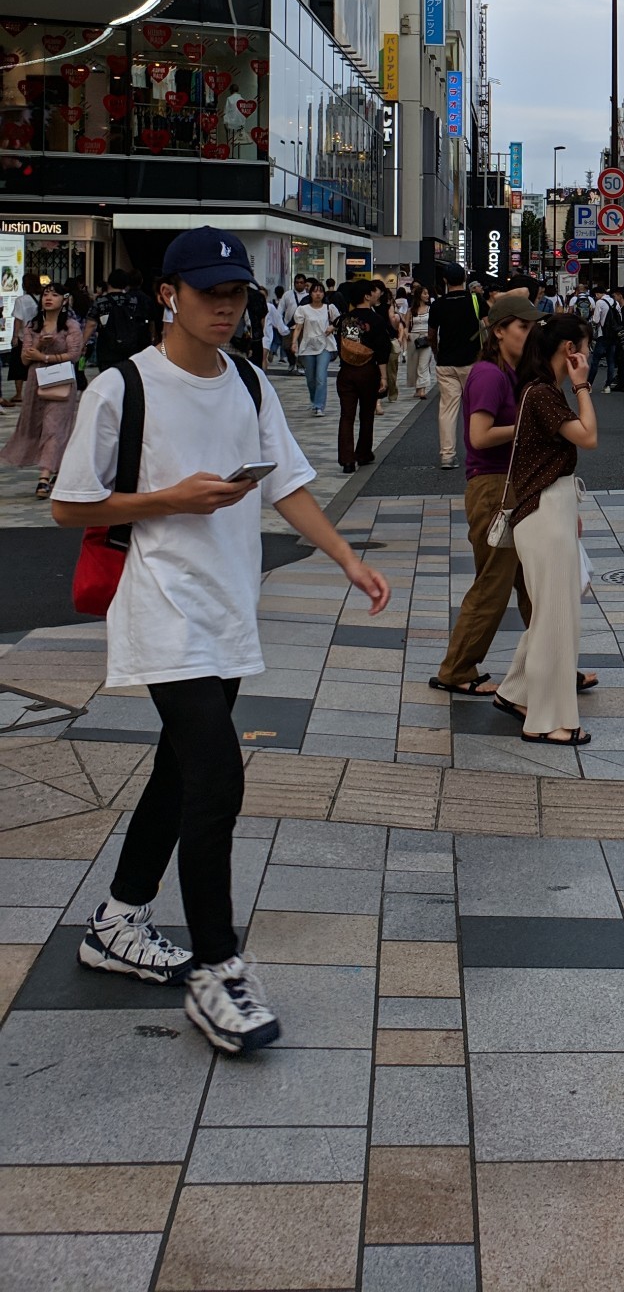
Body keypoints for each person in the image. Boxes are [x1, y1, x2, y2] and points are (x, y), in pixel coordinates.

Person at [51, 226, 390, 1055]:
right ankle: (217, 967)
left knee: (177, 773)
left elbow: (288, 482)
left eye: (237, 297)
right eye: (211, 296)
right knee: (215, 781)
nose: (227, 310)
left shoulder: (245, 379)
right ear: (171, 294)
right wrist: (167, 499)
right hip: (162, 605)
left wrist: (345, 556)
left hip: (231, 606)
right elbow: (69, 506)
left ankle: (119, 921)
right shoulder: (124, 388)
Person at [493, 312, 598, 744]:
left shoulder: (538, 391)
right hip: (543, 515)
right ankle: (549, 721)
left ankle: (516, 691)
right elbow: (588, 436)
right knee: (558, 621)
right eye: (585, 345)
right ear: (569, 350)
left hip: (547, 508)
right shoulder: (543, 394)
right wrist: (583, 385)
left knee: (553, 614)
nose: (589, 353)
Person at [430, 292, 538, 696]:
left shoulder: (510, 371)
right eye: (523, 327)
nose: (530, 334)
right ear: (499, 331)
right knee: (494, 584)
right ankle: (457, 669)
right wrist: (526, 425)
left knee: (533, 585)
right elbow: (478, 436)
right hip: (493, 489)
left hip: (509, 485)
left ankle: (553, 662)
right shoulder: (489, 374)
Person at [2, 283, 82, 496]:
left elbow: (74, 355)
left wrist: (46, 357)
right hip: (36, 381)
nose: (49, 298)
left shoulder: (71, 326)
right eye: (46, 294)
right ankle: (59, 466)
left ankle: (44, 477)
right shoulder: (33, 325)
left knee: (53, 426)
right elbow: (25, 357)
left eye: (55, 295)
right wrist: (38, 348)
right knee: (36, 425)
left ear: (64, 300)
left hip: (61, 381)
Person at [429, 263, 484, 469]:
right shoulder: (475, 300)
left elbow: (431, 335)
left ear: (445, 281)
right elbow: (488, 325)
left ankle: (447, 455)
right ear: (465, 279)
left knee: (447, 409)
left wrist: (436, 353)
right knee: (475, 408)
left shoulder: (438, 305)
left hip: (446, 363)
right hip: (472, 362)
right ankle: (476, 452)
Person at [334, 280, 394, 472]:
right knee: (366, 414)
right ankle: (363, 452)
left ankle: (347, 459)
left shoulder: (344, 319)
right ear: (366, 296)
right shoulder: (376, 320)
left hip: (346, 371)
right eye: (372, 292)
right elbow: (382, 350)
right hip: (368, 371)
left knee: (346, 415)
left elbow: (344, 346)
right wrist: (384, 377)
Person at [82, 269, 156, 373]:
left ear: (109, 282)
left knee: (107, 379)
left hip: (107, 347)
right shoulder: (132, 301)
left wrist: (82, 344)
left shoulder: (101, 301)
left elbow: (91, 324)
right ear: (126, 284)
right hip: (129, 347)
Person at [291, 283, 338, 417]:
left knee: (320, 377)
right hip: (308, 346)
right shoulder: (303, 309)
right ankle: (314, 400)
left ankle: (319, 406)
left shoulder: (329, 308)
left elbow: (339, 321)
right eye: (315, 291)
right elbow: (298, 327)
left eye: (321, 291)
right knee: (310, 378)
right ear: (310, 293)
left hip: (325, 346)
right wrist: (294, 342)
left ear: (324, 294)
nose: (318, 294)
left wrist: (332, 327)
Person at [8, 271, 41, 404]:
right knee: (37, 365)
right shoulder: (43, 298)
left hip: (23, 337)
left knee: (18, 365)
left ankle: (18, 394)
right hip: (39, 337)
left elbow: (18, 320)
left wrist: (15, 336)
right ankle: (37, 391)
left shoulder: (21, 300)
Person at [588, 279, 621, 394]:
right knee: (611, 361)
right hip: (614, 335)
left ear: (597, 294)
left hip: (603, 335)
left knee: (595, 361)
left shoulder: (600, 303)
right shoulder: (615, 302)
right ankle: (607, 386)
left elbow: (596, 320)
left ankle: (589, 385)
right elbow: (619, 318)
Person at [406, 283, 435, 398]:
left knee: (423, 364)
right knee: (414, 364)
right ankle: (418, 388)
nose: (427, 296)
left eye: (427, 293)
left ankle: (422, 389)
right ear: (419, 295)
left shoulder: (430, 309)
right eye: (425, 293)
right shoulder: (411, 310)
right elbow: (406, 325)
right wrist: (406, 333)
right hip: (413, 337)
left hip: (426, 338)